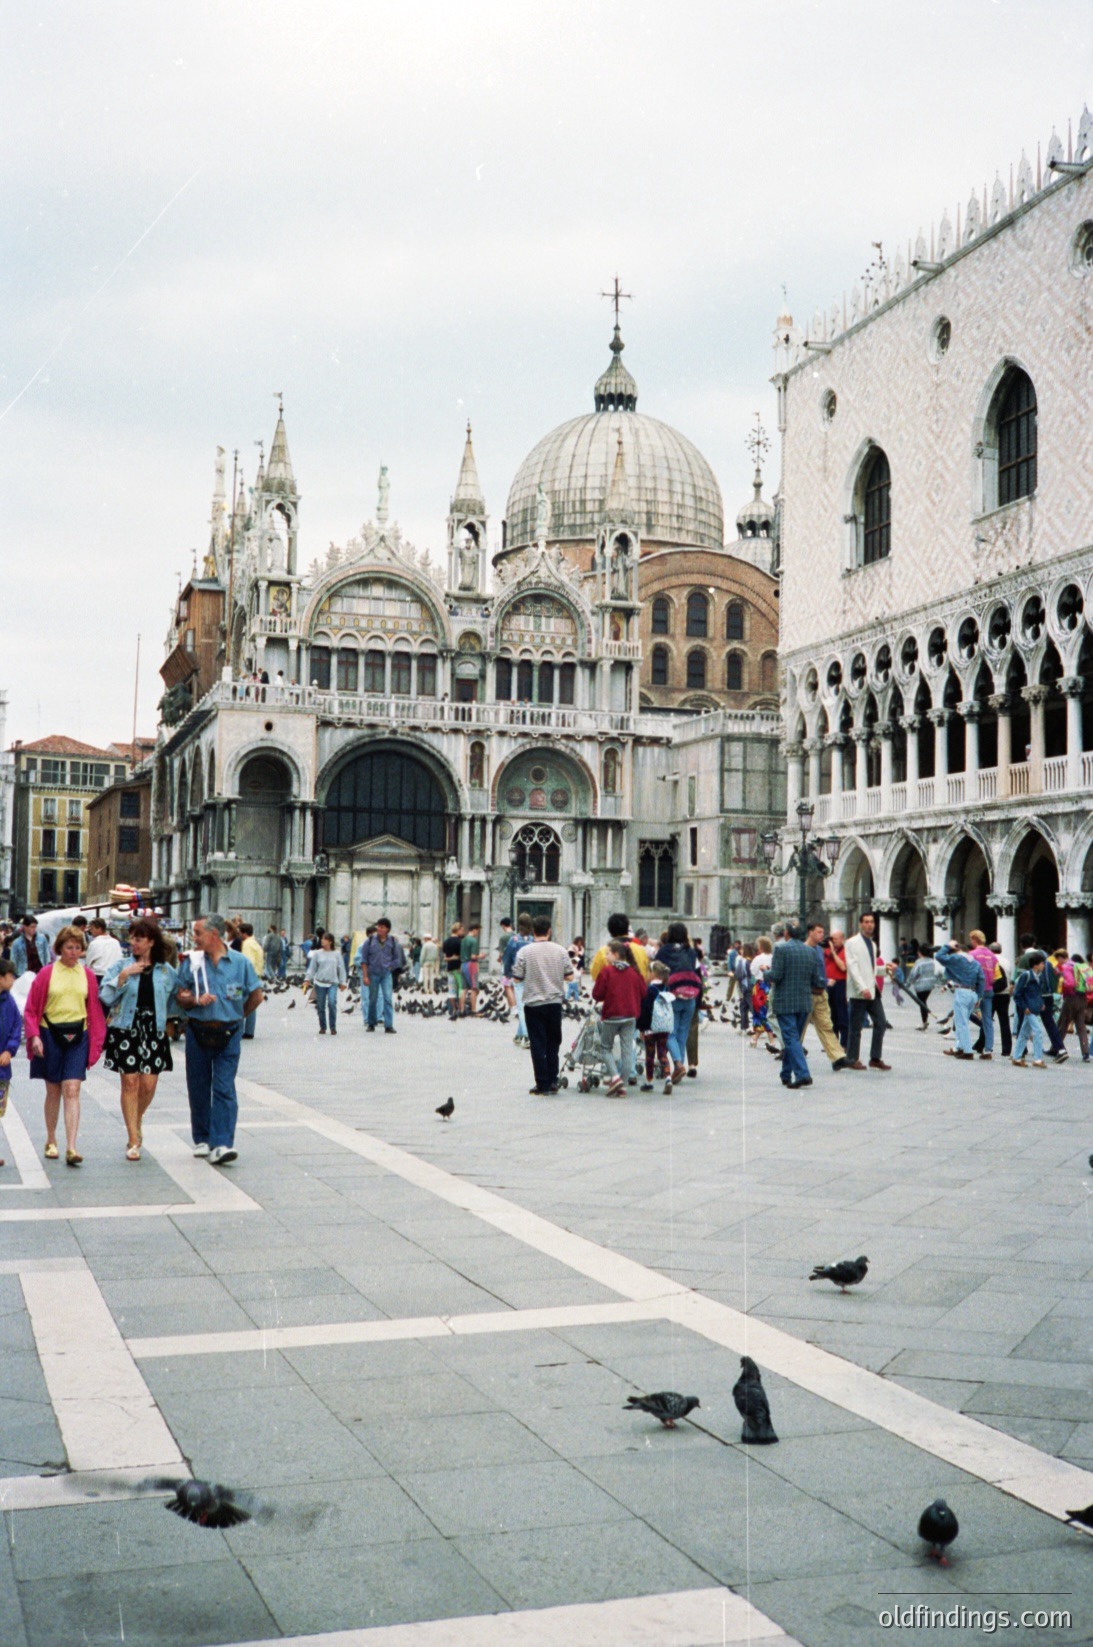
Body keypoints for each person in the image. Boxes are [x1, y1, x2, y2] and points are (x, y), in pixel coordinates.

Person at [176, 913, 263, 1165]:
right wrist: (192, 1000)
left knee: (224, 1087)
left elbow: (256, 996)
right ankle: (203, 1137)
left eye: (198, 933)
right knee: (199, 1086)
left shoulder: (240, 963)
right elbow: (179, 994)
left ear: (214, 935)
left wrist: (236, 1017)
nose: (194, 938)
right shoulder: (191, 962)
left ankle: (222, 1143)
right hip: (198, 1031)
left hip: (228, 1034)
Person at [23, 925, 107, 1166]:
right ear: (60, 948)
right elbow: (30, 1008)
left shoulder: (88, 975)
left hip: (77, 1035)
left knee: (73, 1089)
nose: (74, 952)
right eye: (69, 947)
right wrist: (34, 1035)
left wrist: (96, 1039)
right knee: (53, 1091)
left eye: (78, 948)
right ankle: (51, 1140)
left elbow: (94, 1009)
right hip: (50, 1033)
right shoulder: (46, 974)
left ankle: (71, 1146)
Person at [100, 919, 178, 1160]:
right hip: (126, 1029)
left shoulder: (166, 970)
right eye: (131, 938)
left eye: (138, 939)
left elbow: (174, 998)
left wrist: (172, 1022)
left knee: (149, 1085)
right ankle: (133, 1138)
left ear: (151, 942)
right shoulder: (122, 966)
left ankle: (137, 1117)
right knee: (130, 1083)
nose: (132, 943)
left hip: (153, 1030)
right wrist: (123, 977)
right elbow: (105, 996)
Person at [511, 915, 573, 1094]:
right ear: (549, 931)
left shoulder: (524, 952)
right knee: (553, 1042)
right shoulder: (560, 950)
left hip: (533, 1003)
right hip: (554, 1002)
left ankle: (542, 1083)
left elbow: (517, 978)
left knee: (538, 1044)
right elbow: (569, 976)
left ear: (532, 931)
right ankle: (553, 1080)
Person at [591, 940, 646, 1096]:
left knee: (605, 1048)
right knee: (627, 1050)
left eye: (608, 953)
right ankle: (623, 1083)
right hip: (630, 1016)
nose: (606, 956)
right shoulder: (635, 972)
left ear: (615, 955)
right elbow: (643, 993)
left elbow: (597, 994)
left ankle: (615, 1078)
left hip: (612, 1015)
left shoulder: (607, 972)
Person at [768, 920, 817, 1089]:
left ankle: (803, 1074)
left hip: (785, 1001)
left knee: (790, 1038)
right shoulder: (811, 952)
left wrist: (765, 972)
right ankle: (786, 1074)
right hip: (804, 1002)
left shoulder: (781, 949)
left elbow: (775, 975)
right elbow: (816, 979)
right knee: (793, 1039)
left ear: (787, 934)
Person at [654, 922, 703, 1084]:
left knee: (668, 1032)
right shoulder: (691, 952)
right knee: (682, 1033)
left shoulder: (664, 951)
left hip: (672, 995)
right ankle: (679, 1066)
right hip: (691, 997)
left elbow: (657, 974)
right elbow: (699, 974)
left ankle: (678, 1063)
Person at [844, 912, 891, 1070]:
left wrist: (885, 969)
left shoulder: (872, 944)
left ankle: (875, 1057)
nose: (869, 925)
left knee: (881, 1023)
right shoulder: (852, 943)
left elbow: (870, 968)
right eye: (866, 922)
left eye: (871, 922)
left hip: (872, 990)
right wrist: (862, 987)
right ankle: (852, 1058)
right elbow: (853, 968)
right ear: (860, 924)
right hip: (860, 992)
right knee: (856, 1026)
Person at [803, 921, 849, 1072]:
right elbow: (807, 974)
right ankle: (790, 1055)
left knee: (826, 1026)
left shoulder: (819, 950)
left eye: (823, 932)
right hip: (807, 994)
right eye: (819, 932)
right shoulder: (804, 950)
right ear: (810, 932)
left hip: (820, 993)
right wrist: (825, 981)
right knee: (800, 1029)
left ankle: (837, 1057)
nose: (822, 935)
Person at [934, 940, 986, 1060]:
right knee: (963, 1021)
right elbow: (981, 979)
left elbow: (939, 956)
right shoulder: (974, 962)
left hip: (962, 992)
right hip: (973, 993)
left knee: (961, 1023)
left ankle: (967, 1051)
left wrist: (948, 945)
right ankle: (959, 1047)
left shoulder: (956, 959)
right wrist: (979, 996)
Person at [357, 918, 405, 1032]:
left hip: (386, 975)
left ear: (387, 929)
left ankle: (388, 1025)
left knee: (387, 998)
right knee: (372, 999)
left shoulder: (392, 941)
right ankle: (371, 1023)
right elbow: (363, 960)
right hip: (372, 974)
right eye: (378, 926)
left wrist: (390, 967)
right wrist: (365, 976)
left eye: (382, 927)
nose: (379, 929)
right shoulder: (369, 941)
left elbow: (397, 959)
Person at [0, 959, 22, 1166]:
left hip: (2, 1067)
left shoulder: (10, 1001)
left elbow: (16, 1027)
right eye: (10, 976)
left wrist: (9, 1049)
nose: (14, 980)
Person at [590, 913, 651, 984]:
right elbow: (646, 976)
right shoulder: (641, 950)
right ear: (627, 928)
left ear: (610, 931)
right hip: (636, 993)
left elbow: (595, 976)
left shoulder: (604, 951)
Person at [305, 932, 347, 1034]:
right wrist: (307, 979)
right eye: (322, 939)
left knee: (332, 1003)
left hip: (332, 982)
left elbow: (341, 969)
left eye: (325, 939)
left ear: (330, 941)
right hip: (320, 983)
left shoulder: (336, 954)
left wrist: (343, 982)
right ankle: (323, 1027)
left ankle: (333, 1027)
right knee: (320, 1005)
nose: (322, 941)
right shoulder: (317, 953)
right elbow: (312, 968)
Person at [966, 929, 998, 1058]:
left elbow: (969, 972)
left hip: (976, 989)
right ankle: (988, 1049)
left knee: (963, 1016)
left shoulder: (972, 954)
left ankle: (962, 1045)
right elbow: (996, 976)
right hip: (989, 989)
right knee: (987, 1020)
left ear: (974, 940)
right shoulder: (992, 955)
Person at [1012, 952, 1048, 1068]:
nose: (1043, 966)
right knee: (1037, 1031)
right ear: (1035, 965)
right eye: (1042, 964)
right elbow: (1017, 994)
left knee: (1024, 1033)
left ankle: (1017, 1057)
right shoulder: (1026, 976)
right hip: (1029, 1009)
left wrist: (1041, 1003)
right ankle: (1037, 1058)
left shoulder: (1038, 977)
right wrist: (1024, 1007)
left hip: (1033, 1008)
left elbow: (1038, 993)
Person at [502, 914, 533, 1044]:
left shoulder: (514, 940)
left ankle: (526, 1036)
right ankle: (519, 1035)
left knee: (521, 1006)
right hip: (531, 976)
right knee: (527, 1005)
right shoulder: (533, 940)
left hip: (518, 976)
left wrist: (507, 973)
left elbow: (507, 958)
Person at [238, 923, 265, 1038]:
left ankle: (238, 1031)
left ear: (244, 933)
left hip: (247, 979)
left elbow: (248, 963)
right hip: (256, 977)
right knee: (252, 1005)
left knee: (239, 1003)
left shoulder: (247, 945)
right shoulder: (255, 944)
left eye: (239, 932)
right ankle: (249, 1031)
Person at [824, 930, 849, 1046]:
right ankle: (833, 1043)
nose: (832, 941)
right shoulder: (827, 951)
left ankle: (844, 1043)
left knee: (842, 1014)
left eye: (835, 938)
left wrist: (834, 953)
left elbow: (843, 967)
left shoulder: (845, 951)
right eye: (831, 938)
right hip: (829, 984)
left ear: (841, 939)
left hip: (841, 984)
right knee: (831, 1015)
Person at [86, 918, 123, 990]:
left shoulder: (94, 943)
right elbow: (120, 959)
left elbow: (88, 962)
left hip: (98, 976)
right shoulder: (116, 942)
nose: (91, 931)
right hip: (114, 975)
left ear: (99, 928)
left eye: (92, 928)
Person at [442, 921, 465, 1020]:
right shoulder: (460, 942)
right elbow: (462, 957)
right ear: (458, 929)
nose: (463, 932)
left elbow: (445, 958)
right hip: (458, 968)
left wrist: (450, 958)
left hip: (449, 968)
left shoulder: (446, 942)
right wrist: (455, 958)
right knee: (461, 989)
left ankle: (454, 1009)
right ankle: (460, 1009)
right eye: (462, 930)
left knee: (451, 990)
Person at [460, 923, 481, 1014]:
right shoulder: (473, 941)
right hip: (471, 965)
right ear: (474, 930)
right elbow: (473, 956)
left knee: (464, 989)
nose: (478, 933)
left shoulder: (463, 940)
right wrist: (481, 956)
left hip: (463, 965)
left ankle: (461, 1010)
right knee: (474, 988)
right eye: (478, 931)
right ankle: (473, 1010)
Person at [566, 936, 585, 1002]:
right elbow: (569, 958)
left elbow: (582, 959)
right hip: (572, 966)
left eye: (581, 942)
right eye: (579, 942)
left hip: (579, 967)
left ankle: (577, 996)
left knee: (578, 982)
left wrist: (583, 967)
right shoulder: (572, 948)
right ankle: (570, 996)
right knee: (572, 982)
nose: (580, 944)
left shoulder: (582, 949)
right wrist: (576, 954)